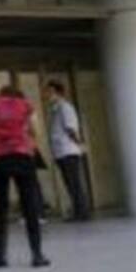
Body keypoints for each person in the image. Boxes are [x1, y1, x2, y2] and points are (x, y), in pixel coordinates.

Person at [0, 85, 49, 268]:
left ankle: (1, 255)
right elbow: (35, 131)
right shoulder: (26, 105)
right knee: (29, 205)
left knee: (1, 206)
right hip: (22, 155)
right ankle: (37, 255)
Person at [43, 81, 90, 222]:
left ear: (58, 92)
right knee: (69, 183)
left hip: (68, 150)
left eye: (50, 92)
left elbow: (71, 128)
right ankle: (78, 210)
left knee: (74, 182)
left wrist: (80, 144)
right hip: (61, 151)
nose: (47, 95)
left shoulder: (65, 108)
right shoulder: (55, 109)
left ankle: (81, 212)